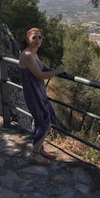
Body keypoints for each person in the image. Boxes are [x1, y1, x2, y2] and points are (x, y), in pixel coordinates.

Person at [19, 27, 66, 165]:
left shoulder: (33, 53)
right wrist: (58, 71)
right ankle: (34, 153)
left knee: (41, 120)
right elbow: (40, 75)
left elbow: (42, 67)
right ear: (27, 39)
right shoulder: (27, 55)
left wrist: (51, 69)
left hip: (38, 92)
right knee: (45, 121)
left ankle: (40, 149)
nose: (37, 40)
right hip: (33, 93)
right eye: (34, 37)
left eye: (40, 37)